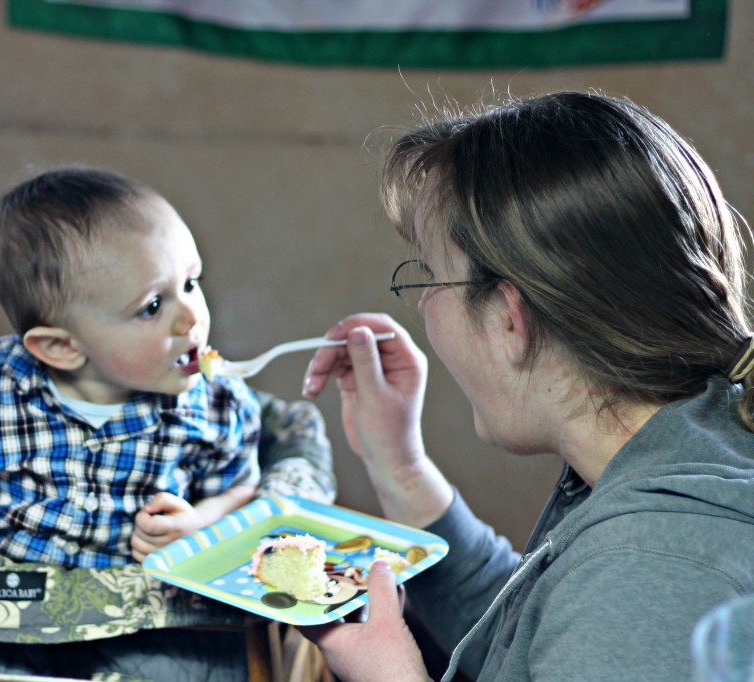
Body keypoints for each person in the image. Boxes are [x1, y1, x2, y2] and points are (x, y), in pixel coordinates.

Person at [298, 91, 754, 681]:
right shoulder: (687, 446)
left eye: (433, 279)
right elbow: (537, 632)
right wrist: (400, 466)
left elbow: (609, 610)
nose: (426, 309)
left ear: (511, 320)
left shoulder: (650, 563)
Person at [0, 165, 276, 617]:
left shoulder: (215, 404)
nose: (192, 318)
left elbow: (242, 488)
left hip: (137, 621)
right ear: (61, 347)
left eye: (190, 283)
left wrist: (199, 526)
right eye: (152, 306)